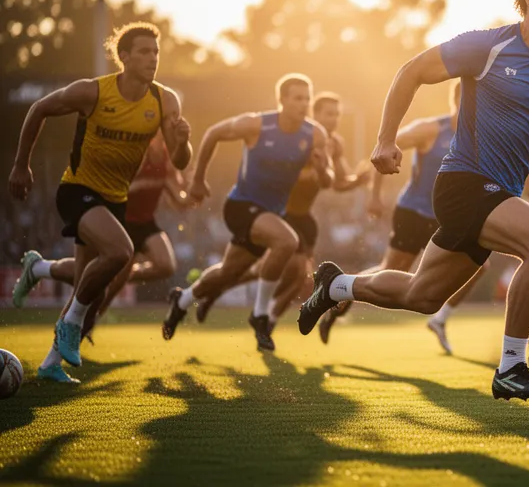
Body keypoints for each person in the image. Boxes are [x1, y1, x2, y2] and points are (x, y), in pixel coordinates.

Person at [295, 0, 529, 401]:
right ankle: (512, 367)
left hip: (498, 193)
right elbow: (411, 72)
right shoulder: (487, 46)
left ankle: (336, 285)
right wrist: (385, 140)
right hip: (464, 182)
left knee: (422, 295)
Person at [8, 22, 192, 383]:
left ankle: (48, 360)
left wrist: (183, 142)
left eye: (156, 52)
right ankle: (70, 324)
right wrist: (20, 165)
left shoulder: (165, 100)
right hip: (77, 190)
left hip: (114, 200)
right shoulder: (93, 92)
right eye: (144, 51)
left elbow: (180, 160)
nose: (152, 58)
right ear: (123, 57)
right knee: (121, 252)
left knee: (86, 283)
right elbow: (39, 109)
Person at [317, 82, 529, 353]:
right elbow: (383, 150)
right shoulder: (431, 130)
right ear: (458, 101)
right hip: (414, 212)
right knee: (394, 269)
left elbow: (527, 184)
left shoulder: (486, 136)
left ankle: (439, 319)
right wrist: (375, 195)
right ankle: (339, 294)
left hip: (450, 217)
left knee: (476, 267)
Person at [161, 73, 332, 352]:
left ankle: (181, 300)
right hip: (241, 207)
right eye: (298, 98)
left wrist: (323, 167)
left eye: (307, 98)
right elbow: (213, 133)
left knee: (228, 273)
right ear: (282, 101)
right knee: (287, 241)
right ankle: (260, 314)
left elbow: (327, 181)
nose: (304, 104)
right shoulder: (257, 124)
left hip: (270, 214)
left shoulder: (315, 135)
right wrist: (198, 178)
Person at [190, 92, 369, 330]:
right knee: (286, 269)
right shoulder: (300, 137)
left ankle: (265, 320)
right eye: (328, 114)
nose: (334, 119)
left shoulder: (334, 145)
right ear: (314, 115)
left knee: (287, 276)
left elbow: (337, 182)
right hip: (279, 214)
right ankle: (254, 312)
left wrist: (359, 179)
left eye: (337, 114)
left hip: (303, 217)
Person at [12, 132, 192, 340]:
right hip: (120, 221)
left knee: (165, 265)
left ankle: (48, 272)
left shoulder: (167, 160)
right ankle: (43, 273)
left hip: (145, 223)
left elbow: (176, 195)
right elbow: (115, 188)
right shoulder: (136, 156)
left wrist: (189, 197)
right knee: (92, 275)